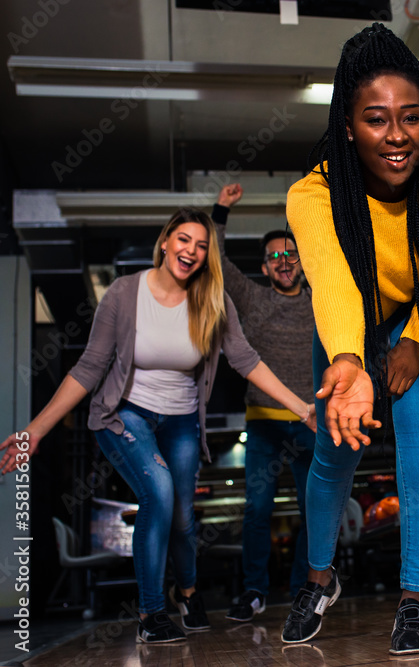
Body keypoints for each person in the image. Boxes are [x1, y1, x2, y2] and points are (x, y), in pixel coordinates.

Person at [0, 208, 316, 643]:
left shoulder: (213, 301)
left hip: (183, 420)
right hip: (127, 413)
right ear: (166, 241)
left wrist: (303, 407)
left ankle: (186, 590)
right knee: (159, 493)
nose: (191, 251)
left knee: (183, 518)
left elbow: (246, 360)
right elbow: (89, 368)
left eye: (202, 246)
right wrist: (34, 431)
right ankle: (151, 614)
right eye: (184, 240)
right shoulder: (124, 294)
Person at [279, 23, 419, 656]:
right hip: (351, 314)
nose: (397, 135)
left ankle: (415, 602)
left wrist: (417, 336)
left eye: (412, 117)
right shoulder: (312, 195)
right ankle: (317, 580)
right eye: (376, 119)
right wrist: (349, 359)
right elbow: (333, 282)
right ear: (347, 127)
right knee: (335, 447)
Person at [209, 184, 316, 622]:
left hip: (311, 423)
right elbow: (214, 261)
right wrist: (220, 210)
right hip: (266, 426)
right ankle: (253, 591)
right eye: (275, 257)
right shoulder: (252, 298)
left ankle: (304, 589)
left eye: (291, 255)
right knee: (257, 508)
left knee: (317, 510)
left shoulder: (320, 304)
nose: (284, 262)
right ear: (264, 267)